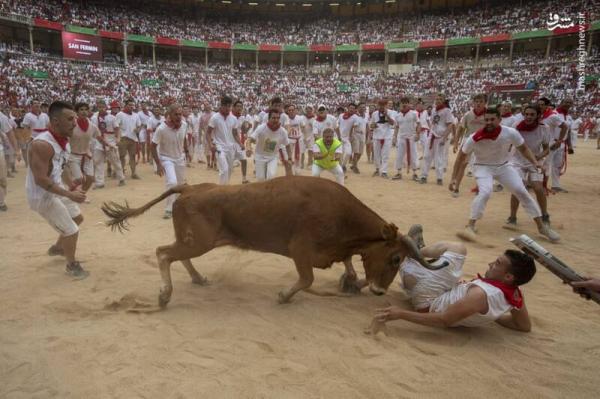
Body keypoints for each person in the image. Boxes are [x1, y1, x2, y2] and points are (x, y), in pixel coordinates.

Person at [371, 230, 535, 332]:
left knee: (458, 249)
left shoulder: (480, 295)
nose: (491, 264)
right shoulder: (514, 293)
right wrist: (492, 315)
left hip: (429, 303)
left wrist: (401, 314)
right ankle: (416, 258)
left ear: (508, 277)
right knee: (429, 268)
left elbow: (445, 319)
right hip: (446, 293)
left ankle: (414, 252)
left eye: (497, 264)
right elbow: (523, 326)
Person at [449, 107, 560, 243]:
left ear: (499, 120)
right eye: (487, 120)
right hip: (483, 167)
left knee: (521, 191)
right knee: (485, 192)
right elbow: (461, 157)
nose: (489, 122)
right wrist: (453, 179)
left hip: (504, 166)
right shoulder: (474, 137)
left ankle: (542, 227)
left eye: (492, 119)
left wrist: (535, 162)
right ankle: (470, 225)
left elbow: (523, 148)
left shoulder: (510, 132)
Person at [25, 101, 88, 278]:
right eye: (70, 119)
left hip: (56, 189)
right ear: (55, 121)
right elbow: (41, 180)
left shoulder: (63, 141)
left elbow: (63, 167)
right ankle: (71, 266)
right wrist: (70, 194)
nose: (75, 123)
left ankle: (58, 247)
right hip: (42, 196)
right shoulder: (42, 145)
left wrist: (73, 185)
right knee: (72, 230)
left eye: (74, 118)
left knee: (78, 217)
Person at [507, 105, 551, 226]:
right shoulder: (516, 126)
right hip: (517, 161)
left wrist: (538, 157)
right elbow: (509, 144)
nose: (529, 117)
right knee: (517, 187)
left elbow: (547, 149)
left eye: (532, 114)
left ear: (538, 115)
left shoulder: (544, 128)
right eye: (527, 114)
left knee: (538, 188)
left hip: (535, 161)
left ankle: (545, 214)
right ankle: (512, 217)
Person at [151, 103, 189, 219]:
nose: (179, 117)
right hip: (166, 158)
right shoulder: (161, 129)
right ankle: (169, 209)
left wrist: (186, 151)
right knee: (172, 182)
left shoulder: (184, 125)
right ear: (169, 115)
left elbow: (185, 138)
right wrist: (158, 165)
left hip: (180, 158)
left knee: (181, 184)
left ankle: (179, 206)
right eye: (176, 114)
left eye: (180, 114)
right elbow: (153, 146)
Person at [245, 108, 291, 181]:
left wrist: (290, 158)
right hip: (259, 156)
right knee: (260, 179)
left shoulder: (283, 131)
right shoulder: (261, 128)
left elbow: (288, 145)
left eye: (277, 118)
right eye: (273, 118)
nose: (276, 120)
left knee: (271, 177)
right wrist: (248, 148)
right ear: (268, 119)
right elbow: (250, 139)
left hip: (272, 157)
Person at [538, 97, 572, 193]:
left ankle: (551, 186)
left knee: (553, 164)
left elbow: (566, 128)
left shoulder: (555, 115)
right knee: (540, 163)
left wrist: (560, 141)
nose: (568, 104)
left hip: (553, 143)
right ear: (561, 102)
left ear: (547, 106)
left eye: (542, 104)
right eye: (566, 101)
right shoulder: (540, 114)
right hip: (543, 143)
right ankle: (535, 184)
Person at [91, 100, 125, 188]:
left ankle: (121, 178)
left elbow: (117, 128)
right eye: (99, 107)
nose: (101, 108)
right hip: (98, 141)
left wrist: (118, 138)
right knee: (98, 162)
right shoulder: (94, 118)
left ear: (106, 107)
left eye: (103, 106)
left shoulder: (112, 117)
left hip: (110, 140)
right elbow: (93, 130)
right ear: (97, 107)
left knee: (115, 161)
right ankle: (100, 182)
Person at [419, 93, 453, 185]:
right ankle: (423, 176)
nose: (438, 100)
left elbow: (450, 124)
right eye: (437, 99)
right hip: (432, 135)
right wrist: (431, 131)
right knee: (426, 156)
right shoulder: (434, 110)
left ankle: (439, 178)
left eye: (440, 99)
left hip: (440, 136)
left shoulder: (447, 111)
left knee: (439, 158)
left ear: (443, 100)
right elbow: (433, 122)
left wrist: (445, 137)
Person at [69, 102, 99, 194]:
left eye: (86, 109)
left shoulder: (92, 126)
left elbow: (98, 136)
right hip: (73, 155)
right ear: (76, 112)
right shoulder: (71, 125)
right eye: (81, 109)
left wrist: (108, 145)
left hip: (87, 155)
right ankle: (68, 193)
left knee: (90, 178)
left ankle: (81, 194)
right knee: (79, 179)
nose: (84, 112)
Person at [207, 95, 239, 185]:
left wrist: (240, 143)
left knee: (229, 170)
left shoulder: (233, 119)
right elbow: (208, 132)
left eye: (230, 106)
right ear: (221, 106)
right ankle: (221, 191)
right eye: (226, 106)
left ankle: (225, 188)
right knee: (224, 169)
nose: (228, 108)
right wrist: (210, 144)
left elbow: (235, 133)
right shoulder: (215, 117)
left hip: (230, 147)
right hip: (219, 146)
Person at [392, 97, 420, 181]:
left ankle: (415, 173)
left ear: (408, 103)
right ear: (400, 104)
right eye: (402, 102)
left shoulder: (414, 113)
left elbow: (419, 124)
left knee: (414, 155)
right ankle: (399, 172)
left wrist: (418, 134)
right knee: (399, 155)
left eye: (406, 102)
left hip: (411, 137)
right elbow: (396, 127)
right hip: (401, 138)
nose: (404, 104)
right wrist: (394, 137)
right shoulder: (398, 115)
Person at [370, 99, 396, 178]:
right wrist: (374, 125)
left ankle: (384, 171)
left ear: (386, 105)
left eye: (383, 105)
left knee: (385, 154)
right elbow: (371, 125)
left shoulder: (391, 112)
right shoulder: (374, 114)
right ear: (378, 105)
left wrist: (386, 115)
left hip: (387, 136)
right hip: (377, 136)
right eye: (380, 105)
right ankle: (377, 169)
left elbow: (392, 123)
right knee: (377, 154)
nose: (381, 107)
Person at [117, 99, 142, 179]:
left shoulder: (136, 115)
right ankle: (121, 173)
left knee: (132, 156)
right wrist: (117, 138)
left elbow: (139, 125)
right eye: (130, 105)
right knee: (122, 156)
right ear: (125, 105)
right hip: (123, 138)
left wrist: (138, 129)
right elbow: (116, 126)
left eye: (132, 105)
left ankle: (133, 173)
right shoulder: (120, 114)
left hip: (133, 138)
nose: (131, 106)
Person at [336, 102, 360, 174]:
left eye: (353, 108)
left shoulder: (355, 117)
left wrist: (350, 136)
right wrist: (338, 136)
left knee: (348, 153)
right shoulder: (341, 115)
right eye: (350, 108)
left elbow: (354, 126)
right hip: (339, 137)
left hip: (347, 138)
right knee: (340, 153)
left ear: (355, 109)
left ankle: (343, 165)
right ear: (348, 108)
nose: (351, 109)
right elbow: (337, 125)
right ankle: (340, 168)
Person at [231, 100, 249, 183]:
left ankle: (244, 178)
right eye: (237, 106)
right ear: (233, 107)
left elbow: (244, 130)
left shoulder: (242, 118)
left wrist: (248, 127)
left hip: (239, 142)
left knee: (244, 160)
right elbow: (233, 133)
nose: (239, 108)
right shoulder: (230, 117)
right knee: (228, 163)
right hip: (230, 142)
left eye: (240, 106)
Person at [350, 102, 368, 173]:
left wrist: (367, 135)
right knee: (356, 152)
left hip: (363, 135)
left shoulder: (366, 116)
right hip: (356, 134)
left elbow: (367, 126)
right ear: (358, 108)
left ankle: (354, 164)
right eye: (361, 107)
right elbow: (352, 126)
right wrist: (351, 135)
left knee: (361, 152)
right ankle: (355, 167)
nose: (362, 108)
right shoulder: (355, 116)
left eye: (363, 107)